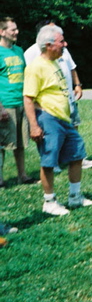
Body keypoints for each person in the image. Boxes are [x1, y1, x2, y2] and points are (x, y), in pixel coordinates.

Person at [23, 25, 92, 216]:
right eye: (61, 41)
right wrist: (34, 125)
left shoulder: (55, 62)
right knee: (49, 161)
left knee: (77, 155)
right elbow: (28, 98)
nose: (65, 44)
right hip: (48, 119)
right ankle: (49, 202)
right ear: (48, 45)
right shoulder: (35, 67)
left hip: (65, 119)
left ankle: (75, 197)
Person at [0, 18, 37, 187]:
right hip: (5, 103)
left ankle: (22, 175)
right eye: (12, 30)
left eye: (16, 29)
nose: (16, 32)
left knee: (20, 142)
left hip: (21, 102)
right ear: (2, 32)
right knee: (2, 143)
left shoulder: (19, 51)